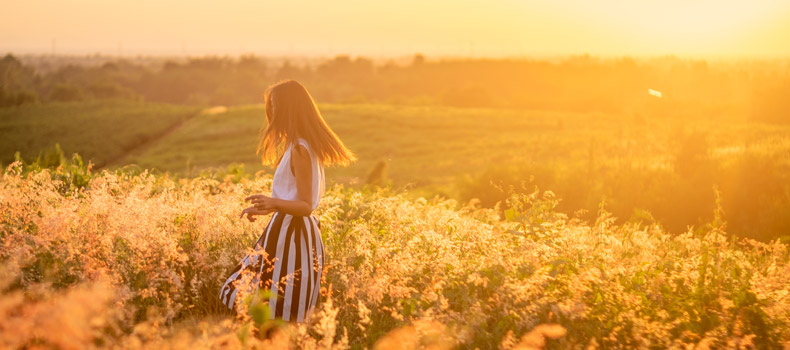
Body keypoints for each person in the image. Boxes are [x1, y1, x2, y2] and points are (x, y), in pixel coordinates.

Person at [219, 80, 356, 323]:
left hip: (294, 234)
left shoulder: (300, 149)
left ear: (287, 111)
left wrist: (273, 203)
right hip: (285, 230)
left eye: (274, 107)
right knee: (257, 297)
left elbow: (305, 205)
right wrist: (267, 207)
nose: (270, 115)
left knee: (279, 308)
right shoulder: (298, 146)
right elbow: (293, 198)